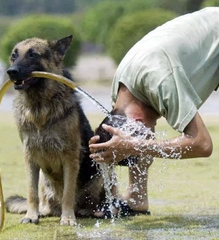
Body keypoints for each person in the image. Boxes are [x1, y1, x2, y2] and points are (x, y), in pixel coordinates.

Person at [89, 7, 219, 217]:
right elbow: (135, 138)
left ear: (137, 121)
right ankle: (137, 197)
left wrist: (133, 145)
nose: (144, 145)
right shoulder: (121, 98)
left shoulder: (159, 81)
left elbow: (202, 144)